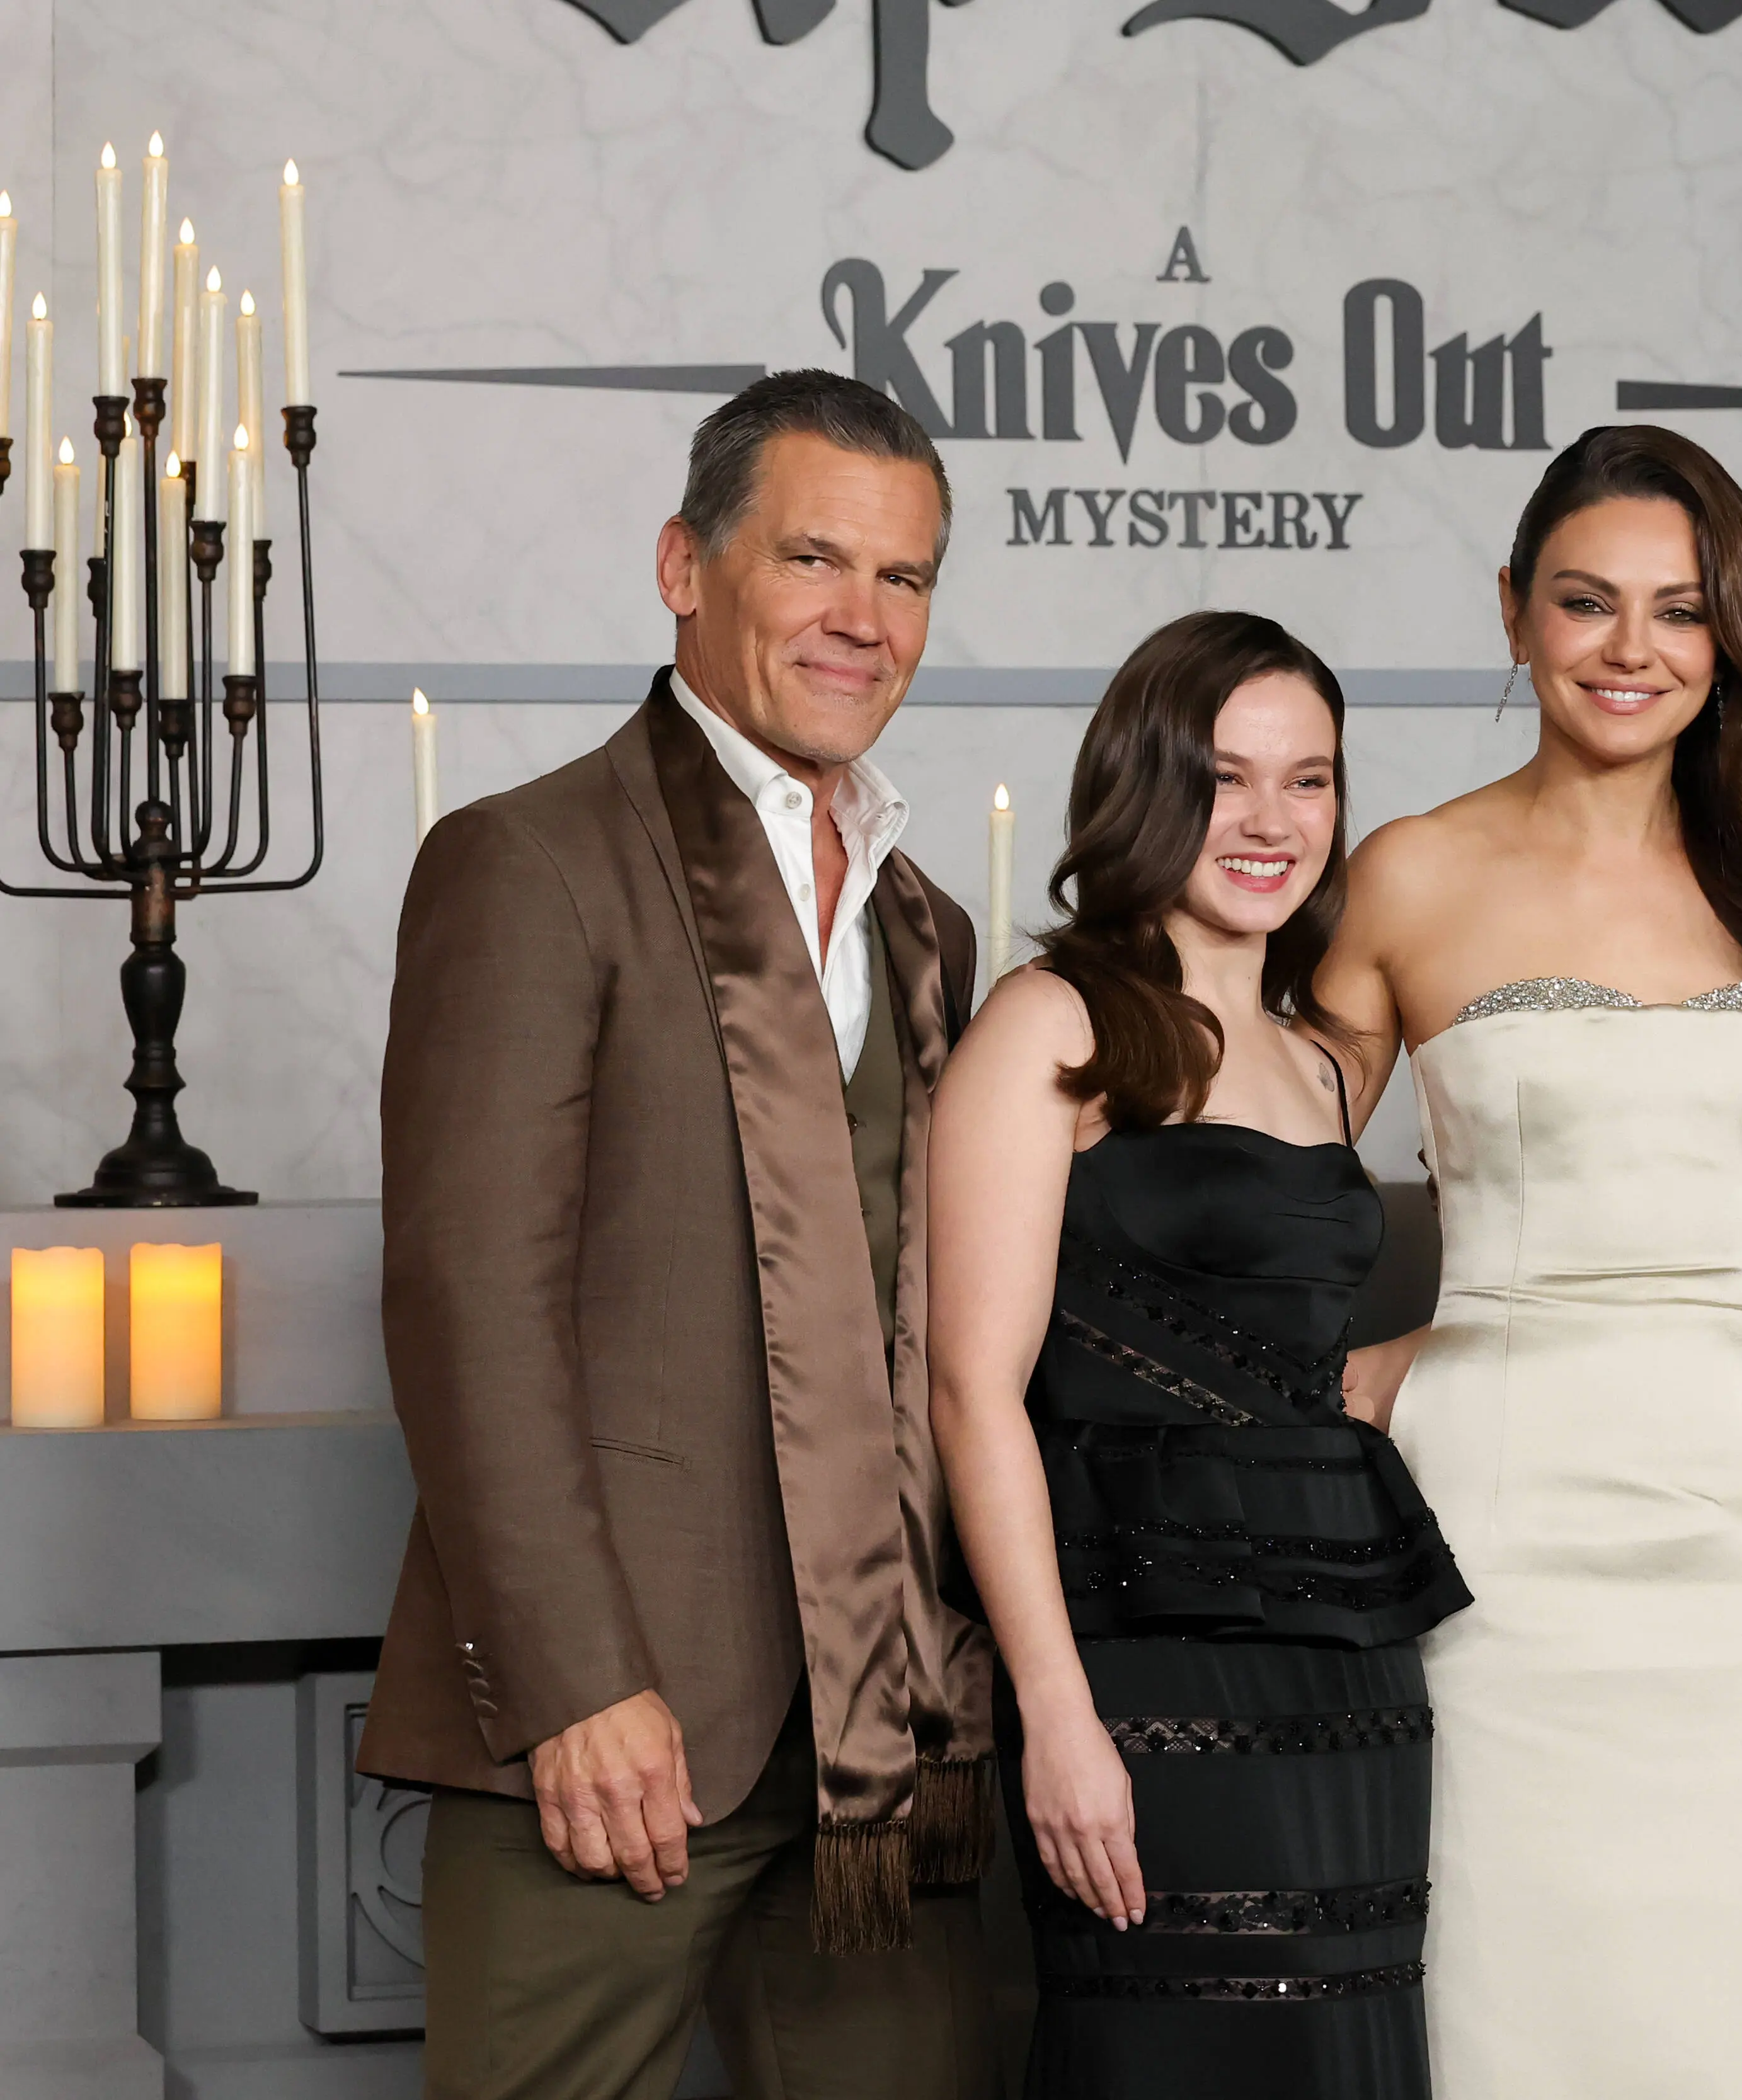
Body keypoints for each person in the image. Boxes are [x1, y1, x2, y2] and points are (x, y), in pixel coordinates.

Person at [365, 369, 997, 2098]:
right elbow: (462, 1296)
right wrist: (575, 1682)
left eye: (907, 577)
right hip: (618, 1725)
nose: (863, 620)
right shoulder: (531, 860)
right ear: (683, 566)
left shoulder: (928, 923)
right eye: (815, 560)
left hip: (886, 1735)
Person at [1315, 425, 1742, 2097]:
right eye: (1587, 602)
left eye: (1680, 610)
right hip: (1503, 1513)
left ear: (1732, 641)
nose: (1632, 647)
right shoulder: (1412, 869)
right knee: (1510, 1981)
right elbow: (1273, 1175)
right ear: (1514, 612)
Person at [928, 611, 1472, 2099]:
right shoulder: (1053, 1024)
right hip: (1138, 1662)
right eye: (1227, 776)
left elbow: (1300, 1354)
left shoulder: (1318, 1061)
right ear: (1144, 784)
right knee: (1166, 2045)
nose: (1271, 820)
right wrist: (1055, 1714)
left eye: (1310, 779)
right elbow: (972, 1394)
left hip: (1347, 1667)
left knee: (1340, 2043)